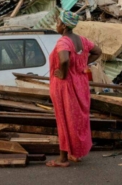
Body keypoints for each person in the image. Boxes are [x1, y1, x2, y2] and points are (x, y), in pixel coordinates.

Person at [46, 10, 102, 168]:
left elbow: (64, 59)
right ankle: (74, 153)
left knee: (64, 120)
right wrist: (82, 64)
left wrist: (63, 73)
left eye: (58, 23)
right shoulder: (82, 40)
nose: (56, 25)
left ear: (64, 26)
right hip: (80, 84)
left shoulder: (63, 41)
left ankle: (62, 159)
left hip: (65, 86)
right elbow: (98, 52)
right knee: (77, 120)